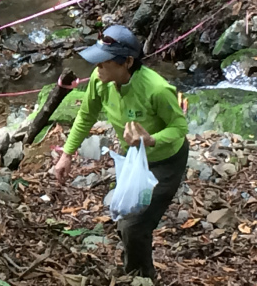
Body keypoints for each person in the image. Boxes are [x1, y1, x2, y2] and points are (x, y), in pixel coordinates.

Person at [54, 25, 189, 280]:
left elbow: (179, 127)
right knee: (126, 213)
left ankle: (141, 277)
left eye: (103, 63)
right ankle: (135, 265)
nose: (97, 69)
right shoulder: (100, 80)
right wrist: (67, 154)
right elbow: (86, 115)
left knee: (133, 225)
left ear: (127, 62)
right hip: (132, 158)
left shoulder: (157, 89)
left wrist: (150, 140)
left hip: (165, 161)